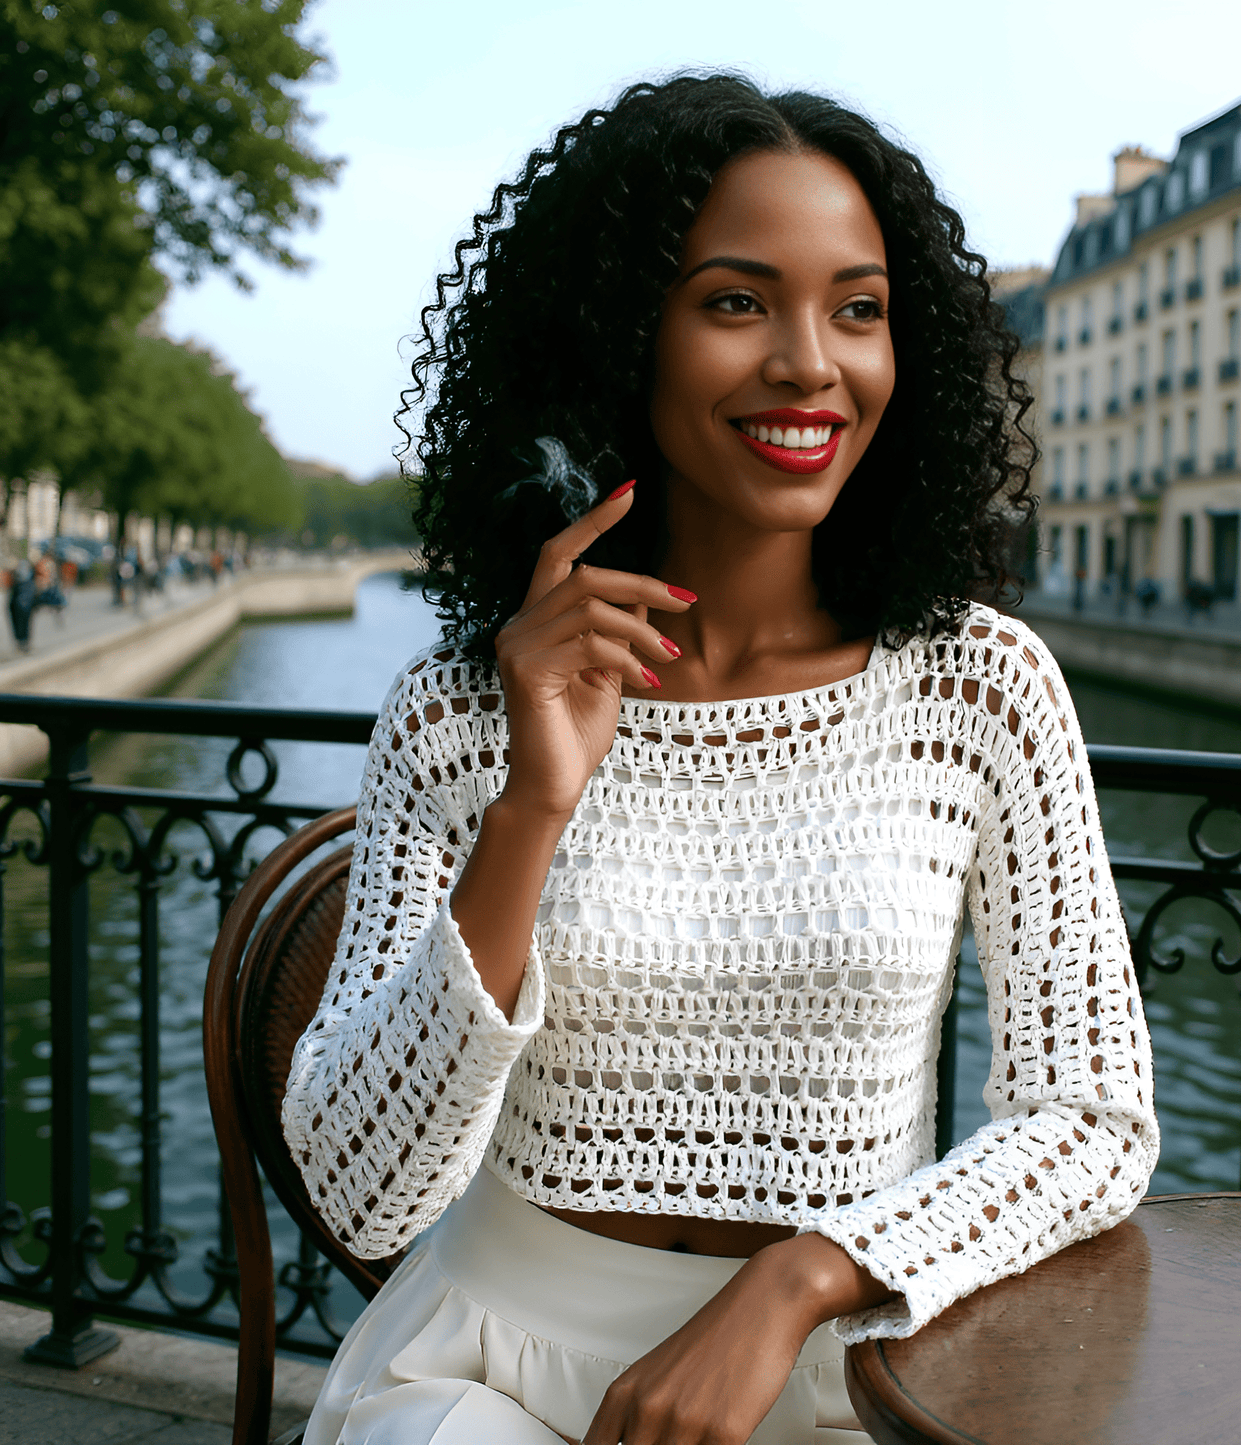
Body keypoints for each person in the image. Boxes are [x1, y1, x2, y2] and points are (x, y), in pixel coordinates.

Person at [281, 75, 1158, 1445]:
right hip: (489, 1363)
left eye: (858, 308)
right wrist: (534, 803)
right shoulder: (460, 711)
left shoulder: (982, 688)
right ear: (622, 336)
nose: (813, 362)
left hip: (835, 1369)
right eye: (738, 301)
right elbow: (365, 1192)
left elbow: (1094, 1119)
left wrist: (802, 1281)